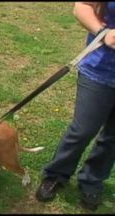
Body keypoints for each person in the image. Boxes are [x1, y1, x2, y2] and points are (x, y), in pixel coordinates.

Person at [35, 2, 115, 211]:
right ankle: (56, 174)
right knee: (83, 130)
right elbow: (81, 7)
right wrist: (103, 33)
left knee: (113, 137)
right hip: (100, 70)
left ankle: (92, 180)